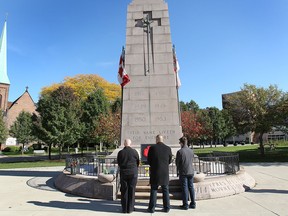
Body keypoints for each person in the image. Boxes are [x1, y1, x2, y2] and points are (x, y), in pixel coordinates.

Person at [147, 134, 172, 213]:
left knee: (154, 190)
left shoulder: (152, 148)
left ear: (157, 139)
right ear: (162, 139)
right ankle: (167, 207)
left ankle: (152, 208)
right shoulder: (168, 148)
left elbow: (149, 160)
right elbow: (170, 160)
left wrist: (154, 165)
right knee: (165, 190)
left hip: (155, 172)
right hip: (164, 172)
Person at [117, 139, 140, 213]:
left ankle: (124, 208)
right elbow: (137, 162)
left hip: (124, 173)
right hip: (133, 173)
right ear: (130, 144)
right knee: (132, 190)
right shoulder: (134, 152)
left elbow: (119, 162)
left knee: (124, 190)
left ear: (124, 144)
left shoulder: (121, 152)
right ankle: (130, 208)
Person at [175, 136, 196, 210]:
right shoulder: (191, 151)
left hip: (183, 172)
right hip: (191, 171)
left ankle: (185, 204)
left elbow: (177, 163)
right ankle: (193, 203)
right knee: (191, 187)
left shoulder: (180, 152)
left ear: (181, 143)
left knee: (184, 188)